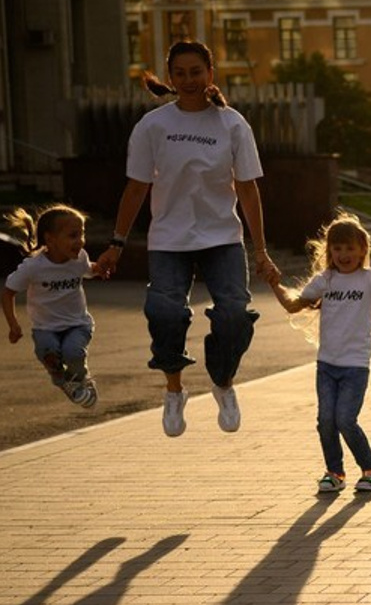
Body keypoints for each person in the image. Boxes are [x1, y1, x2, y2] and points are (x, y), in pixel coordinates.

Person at [96, 40, 278, 438]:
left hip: (222, 239)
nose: (189, 80)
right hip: (169, 240)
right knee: (163, 313)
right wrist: (116, 243)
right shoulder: (153, 126)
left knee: (234, 315)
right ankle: (174, 390)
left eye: (196, 72)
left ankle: (222, 380)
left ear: (210, 74)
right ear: (171, 78)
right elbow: (136, 188)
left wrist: (261, 250)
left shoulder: (232, 124)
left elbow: (248, 189)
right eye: (180, 73)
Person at [266, 213, 371, 494]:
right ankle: (334, 472)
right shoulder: (326, 279)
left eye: (350, 248)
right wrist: (273, 284)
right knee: (325, 422)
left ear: (363, 250)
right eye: (337, 248)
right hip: (327, 364)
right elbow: (294, 305)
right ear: (329, 250)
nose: (343, 254)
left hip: (355, 365)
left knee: (345, 419)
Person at [3, 205, 101, 409]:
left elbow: (88, 269)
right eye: (73, 235)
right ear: (50, 239)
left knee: (73, 352)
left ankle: (82, 379)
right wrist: (13, 324)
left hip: (77, 324)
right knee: (48, 354)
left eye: (82, 234)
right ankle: (64, 382)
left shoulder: (80, 257)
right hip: (45, 327)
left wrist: (99, 269)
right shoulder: (33, 267)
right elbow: (8, 292)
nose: (80, 241)